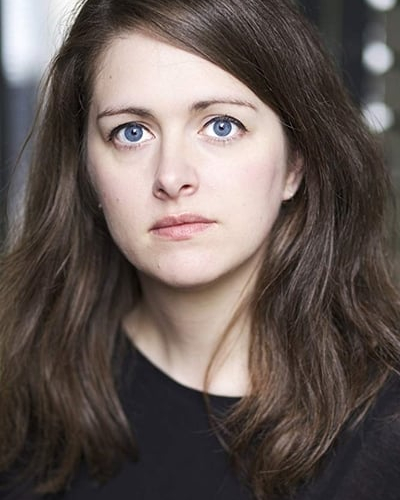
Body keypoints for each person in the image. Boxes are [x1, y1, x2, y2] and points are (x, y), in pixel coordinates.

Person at [0, 0, 400, 498]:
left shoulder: (387, 431)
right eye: (131, 132)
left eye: (221, 126)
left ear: (295, 163)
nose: (171, 177)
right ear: (86, 171)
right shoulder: (20, 392)